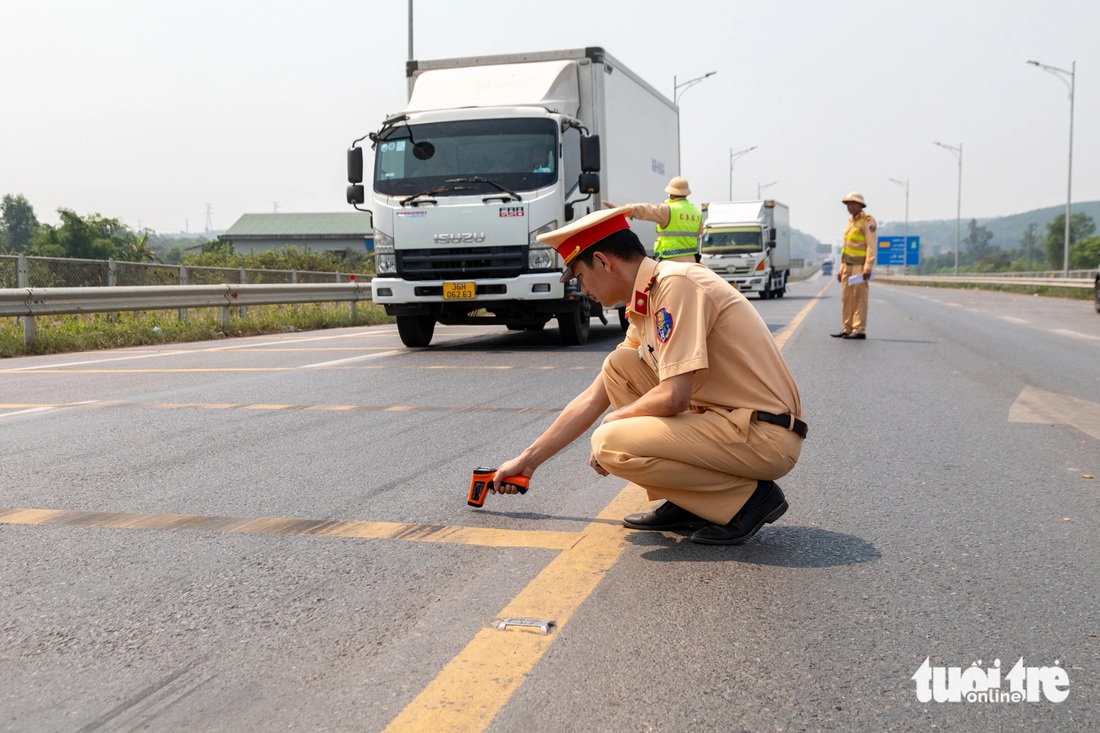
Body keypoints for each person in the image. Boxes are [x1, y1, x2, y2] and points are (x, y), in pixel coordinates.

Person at [488, 206, 806, 545]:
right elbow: (594, 397)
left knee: (611, 442)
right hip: (727, 423)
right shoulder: (645, 301)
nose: (583, 289)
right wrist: (528, 460)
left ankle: (746, 500)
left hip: (763, 434)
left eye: (580, 276)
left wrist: (612, 426)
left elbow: (674, 396)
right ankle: (693, 502)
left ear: (604, 262)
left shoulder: (676, 285)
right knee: (619, 366)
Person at [603, 176, 703, 262]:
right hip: (691, 260)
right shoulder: (696, 212)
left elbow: (644, 210)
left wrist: (620, 209)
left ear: (670, 193)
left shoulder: (668, 209)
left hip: (671, 261)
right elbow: (699, 233)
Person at [832, 191, 877, 340]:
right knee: (846, 298)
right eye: (848, 204)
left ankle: (859, 329)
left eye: (852, 203)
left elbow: (871, 245)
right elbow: (845, 247)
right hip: (847, 266)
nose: (849, 207)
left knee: (859, 298)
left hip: (859, 267)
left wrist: (868, 267)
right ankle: (848, 327)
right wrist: (841, 268)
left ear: (860, 205)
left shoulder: (867, 221)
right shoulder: (851, 222)